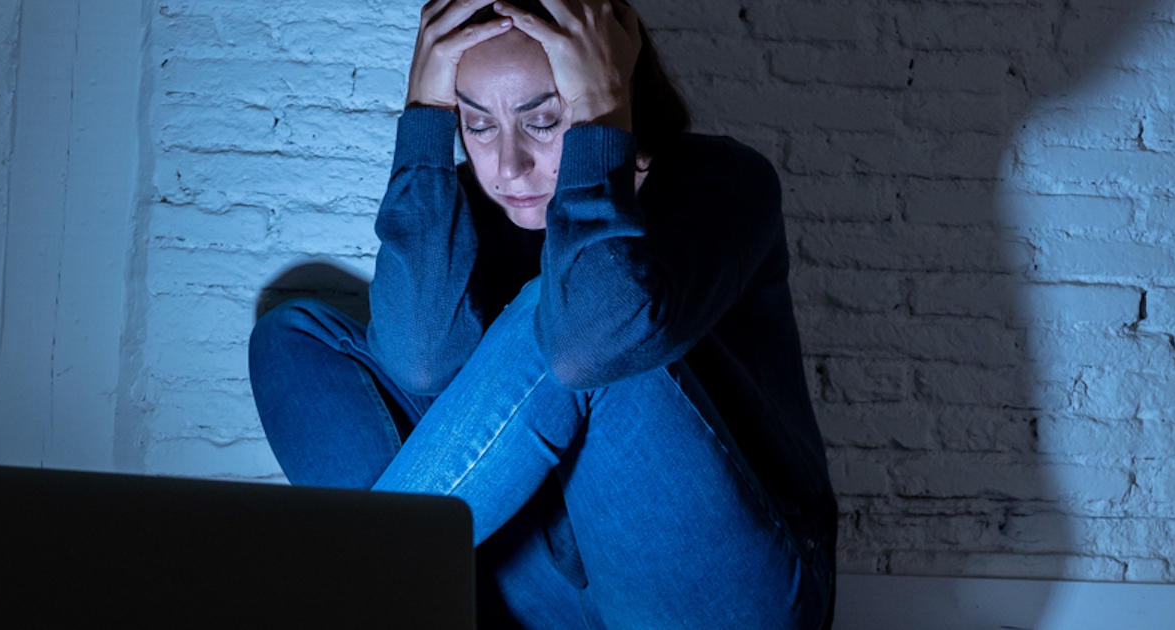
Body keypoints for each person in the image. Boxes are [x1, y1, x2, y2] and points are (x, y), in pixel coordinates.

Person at [247, 0, 837, 627]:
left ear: (603, 84)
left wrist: (601, 120)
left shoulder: (722, 182)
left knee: (573, 322)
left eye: (544, 120)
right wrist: (422, 119)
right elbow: (417, 363)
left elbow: (585, 345)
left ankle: (351, 582)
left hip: (728, 588)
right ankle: (373, 582)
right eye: (477, 124)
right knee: (293, 338)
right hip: (548, 589)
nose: (510, 166)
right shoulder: (474, 208)